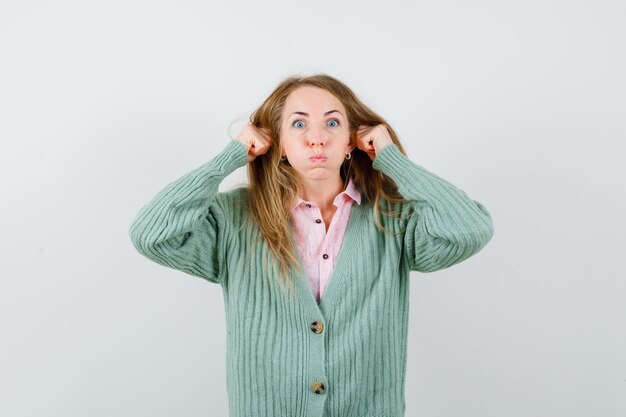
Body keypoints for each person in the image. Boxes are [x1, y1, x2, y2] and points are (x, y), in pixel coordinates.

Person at [129, 74, 494, 417]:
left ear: (352, 141)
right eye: (299, 124)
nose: (317, 138)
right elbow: (151, 234)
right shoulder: (235, 219)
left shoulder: (392, 220)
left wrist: (391, 159)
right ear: (279, 143)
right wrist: (229, 158)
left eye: (333, 123)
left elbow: (469, 229)